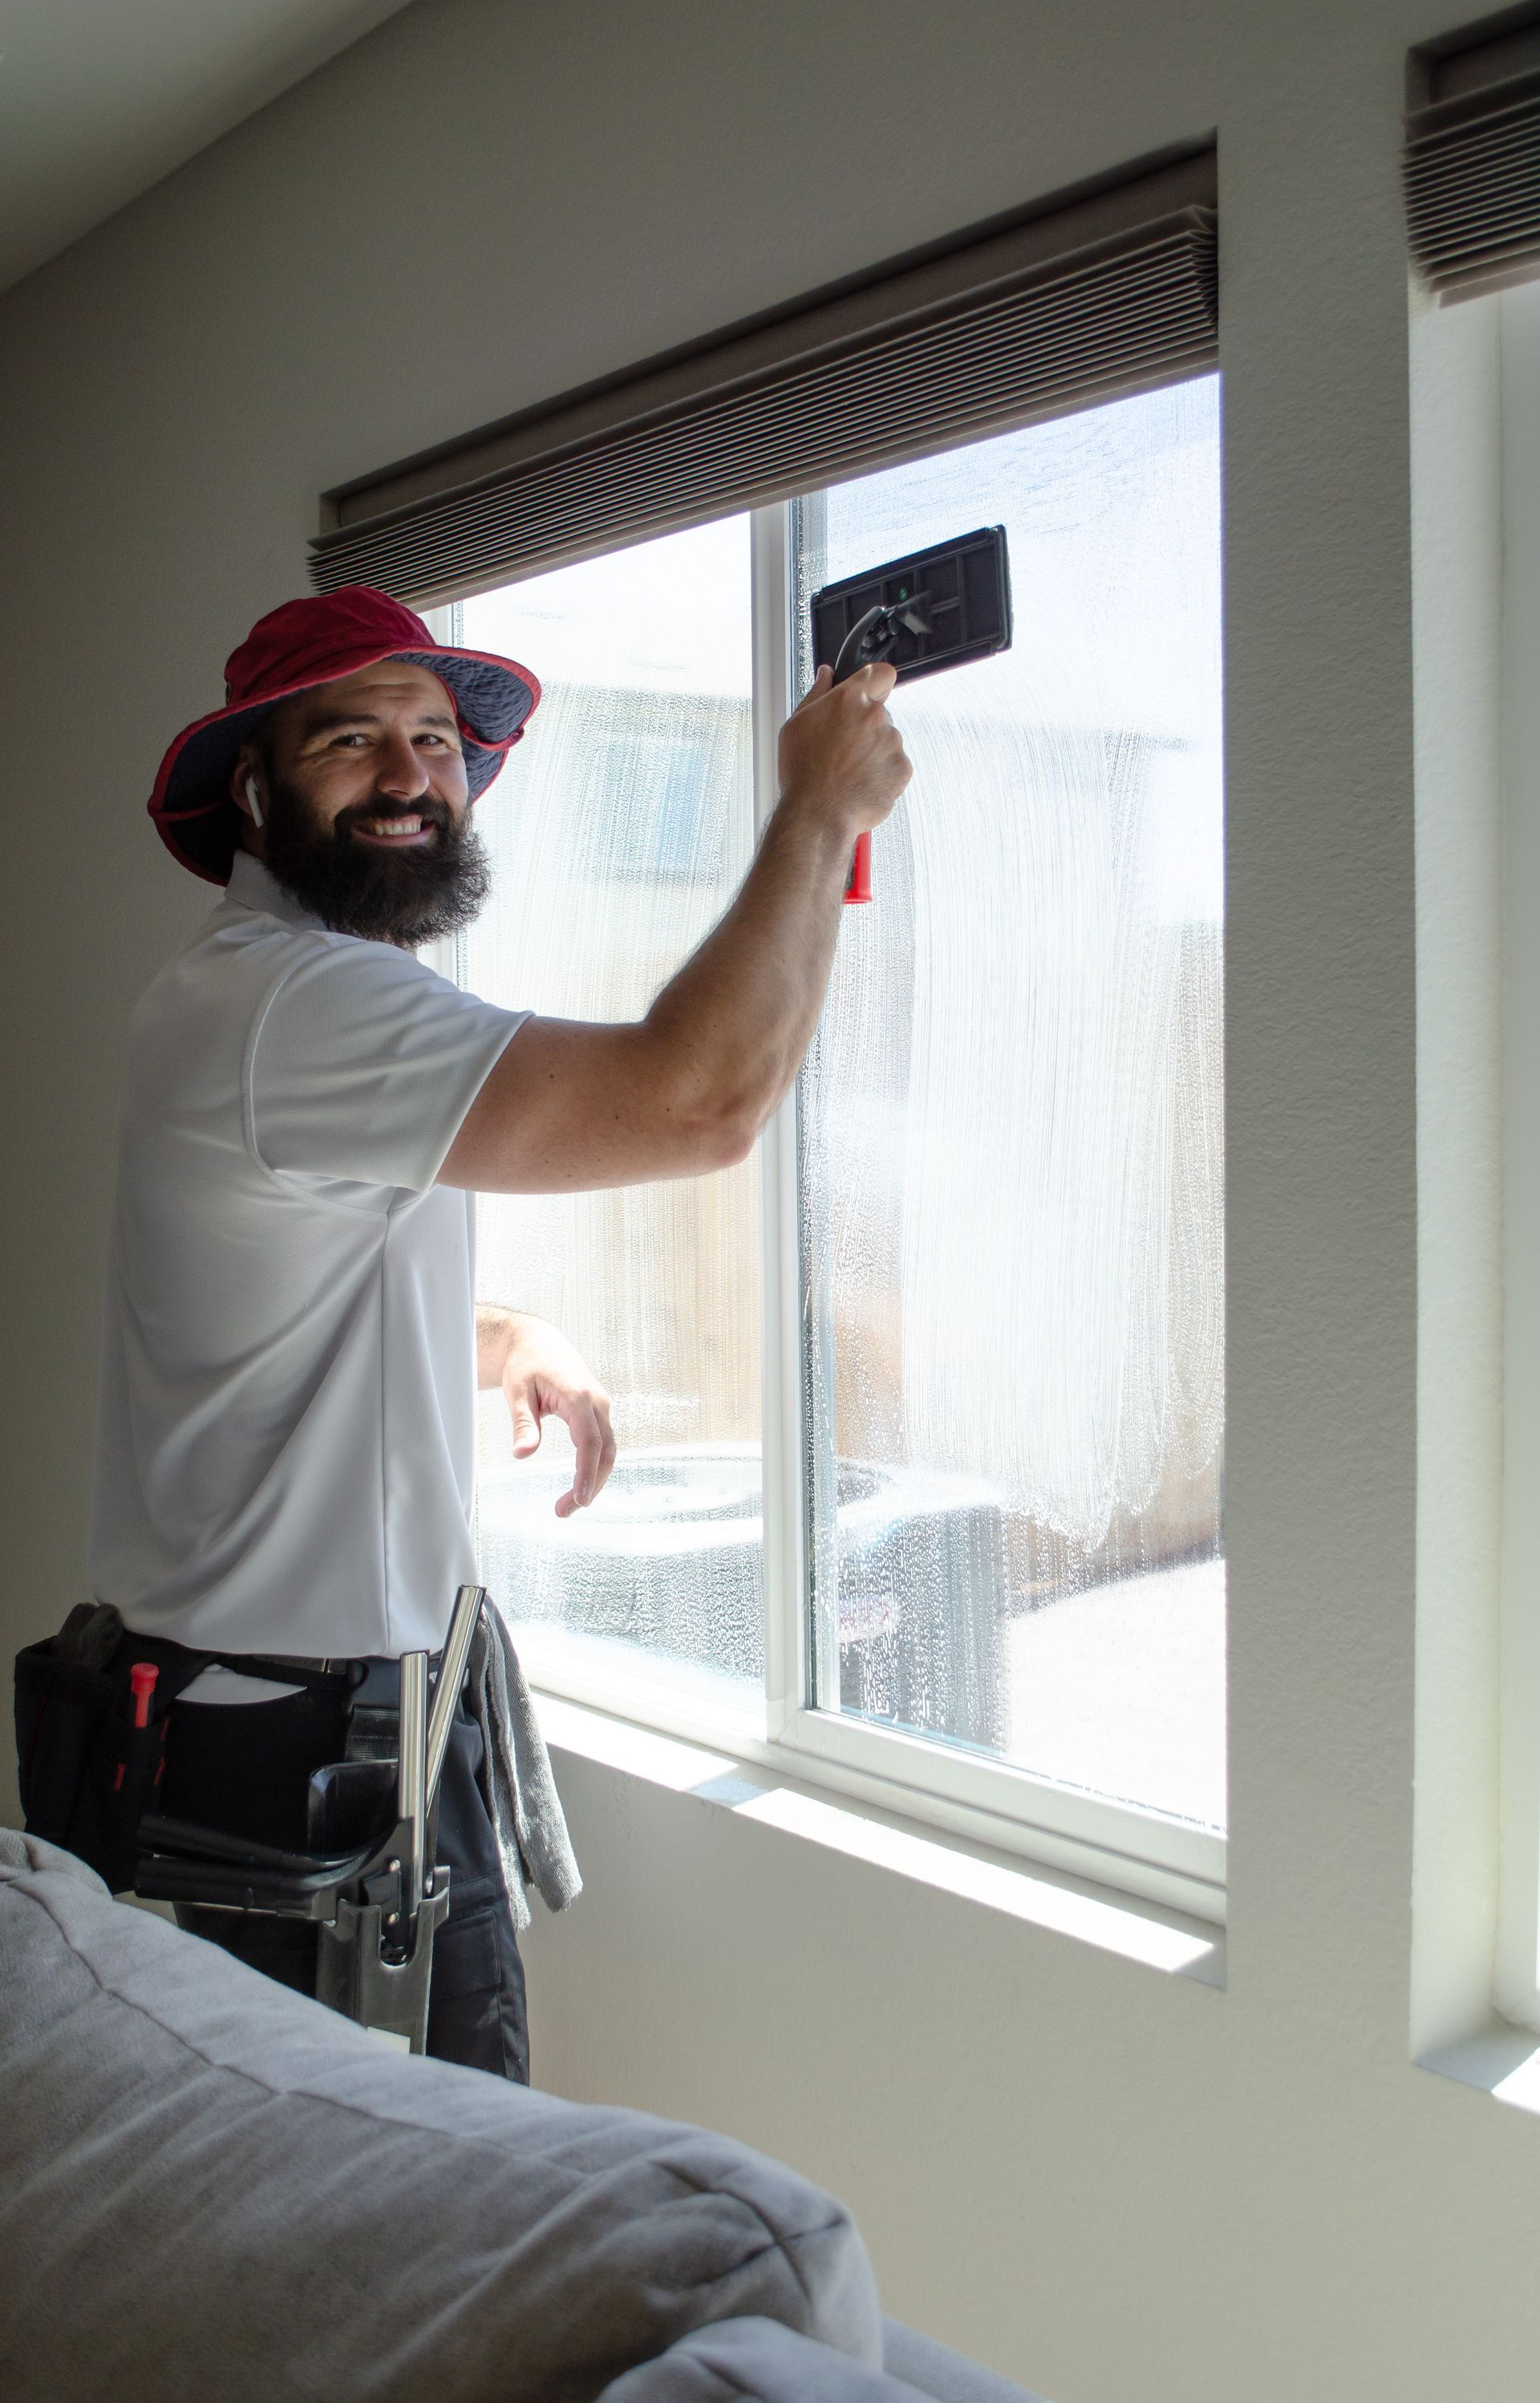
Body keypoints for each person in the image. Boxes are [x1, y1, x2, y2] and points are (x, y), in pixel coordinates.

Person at [81, 582, 910, 2080]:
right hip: (297, 1766)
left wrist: (502, 1330)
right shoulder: (296, 1006)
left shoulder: (272, 997)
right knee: (405, 2201)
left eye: (434, 738)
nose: (411, 775)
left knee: (380, 2176)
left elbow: (288, 1299)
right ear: (253, 791)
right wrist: (820, 813)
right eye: (351, 739)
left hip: (279, 1729)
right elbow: (702, 1099)